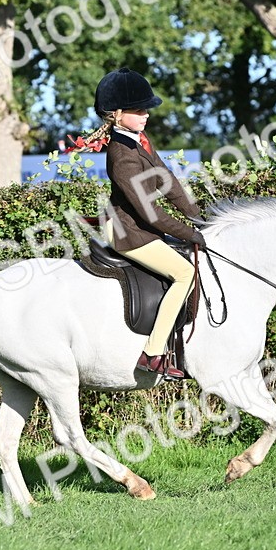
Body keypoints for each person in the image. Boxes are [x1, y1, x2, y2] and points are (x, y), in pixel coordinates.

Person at [97, 67, 205, 380]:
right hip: (125, 230)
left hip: (139, 225)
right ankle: (153, 351)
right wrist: (191, 233)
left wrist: (196, 215)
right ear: (117, 114)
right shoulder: (122, 157)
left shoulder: (140, 139)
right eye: (139, 110)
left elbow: (167, 180)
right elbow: (149, 214)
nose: (146, 115)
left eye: (146, 109)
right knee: (185, 273)